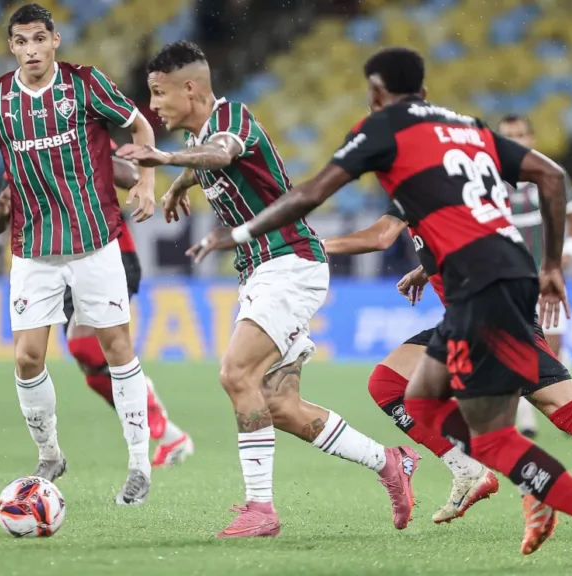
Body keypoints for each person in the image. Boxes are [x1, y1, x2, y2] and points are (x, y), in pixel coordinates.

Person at [189, 47, 572, 571]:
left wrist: (244, 231)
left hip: (483, 286)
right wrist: (549, 266)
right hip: (498, 275)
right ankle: (531, 483)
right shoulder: (464, 126)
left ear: (376, 92)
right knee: (418, 398)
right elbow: (550, 176)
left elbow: (313, 192)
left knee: (498, 438)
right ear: (425, 91)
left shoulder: (383, 128)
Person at [117, 40, 418, 538]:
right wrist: (178, 185)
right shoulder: (209, 133)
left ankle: (261, 510)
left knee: (237, 374)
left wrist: (165, 159)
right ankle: (390, 461)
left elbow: (221, 153)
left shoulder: (231, 116)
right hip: (265, 270)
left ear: (190, 87)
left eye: (158, 93)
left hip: (289, 263)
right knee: (279, 406)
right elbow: (210, 161)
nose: (153, 106)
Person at [326, 201, 572, 538]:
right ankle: (468, 468)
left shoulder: (424, 183)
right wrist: (428, 269)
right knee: (389, 382)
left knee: (568, 413)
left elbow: (380, 238)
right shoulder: (437, 184)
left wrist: (316, 246)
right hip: (470, 319)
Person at [0, 4, 160, 506]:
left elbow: (140, 128)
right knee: (26, 357)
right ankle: (50, 453)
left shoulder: (86, 84)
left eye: (39, 40)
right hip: (33, 247)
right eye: (21, 42)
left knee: (117, 349)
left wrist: (149, 181)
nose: (31, 50)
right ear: (11, 46)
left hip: (95, 241)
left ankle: (139, 463)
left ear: (55, 41)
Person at [0, 149, 195, 469]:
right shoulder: (22, 145)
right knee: (89, 364)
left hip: (106, 254)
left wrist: (155, 187)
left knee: (88, 347)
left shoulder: (77, 133)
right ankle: (169, 434)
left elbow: (123, 171)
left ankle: (164, 431)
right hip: (54, 259)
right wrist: (1, 212)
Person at [497, 114, 572, 439]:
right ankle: (527, 420)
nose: (514, 141)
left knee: (552, 349)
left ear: (531, 138)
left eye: (519, 135)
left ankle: (569, 404)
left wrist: (571, 248)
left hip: (545, 279)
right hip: (507, 280)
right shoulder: (488, 178)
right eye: (507, 136)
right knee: (515, 349)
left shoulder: (549, 172)